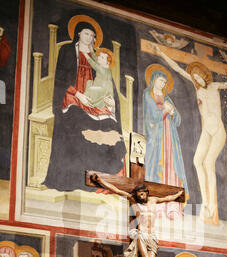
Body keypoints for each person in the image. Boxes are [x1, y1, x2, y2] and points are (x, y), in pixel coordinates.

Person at [149, 43, 227, 223]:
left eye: (199, 76)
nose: (197, 79)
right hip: (206, 131)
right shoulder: (197, 89)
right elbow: (178, 69)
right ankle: (205, 201)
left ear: (204, 76)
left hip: (217, 130)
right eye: (194, 77)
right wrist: (162, 53)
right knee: (196, 161)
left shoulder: (214, 86)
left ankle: (210, 205)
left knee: (208, 162)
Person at [43, 16, 126, 192]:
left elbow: (107, 81)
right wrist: (78, 95)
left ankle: (100, 179)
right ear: (78, 34)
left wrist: (111, 102)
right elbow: (61, 78)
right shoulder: (67, 50)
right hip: (73, 95)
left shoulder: (98, 56)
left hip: (94, 99)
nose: (89, 37)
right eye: (86, 33)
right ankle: (71, 179)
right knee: (75, 119)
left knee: (109, 123)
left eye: (92, 35)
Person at [90, 173, 184, 257]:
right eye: (138, 194)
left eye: (142, 193)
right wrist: (100, 180)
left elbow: (168, 197)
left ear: (146, 192)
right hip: (141, 234)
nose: (141, 196)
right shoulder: (133, 200)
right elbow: (116, 189)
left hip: (152, 235)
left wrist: (178, 194)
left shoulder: (153, 200)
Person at [143, 65, 189, 219]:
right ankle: (156, 206)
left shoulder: (167, 98)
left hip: (170, 138)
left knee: (172, 166)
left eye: (164, 82)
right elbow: (153, 117)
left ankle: (172, 207)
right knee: (156, 166)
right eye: (160, 80)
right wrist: (165, 110)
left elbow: (178, 120)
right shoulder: (147, 95)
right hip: (156, 137)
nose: (162, 84)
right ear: (154, 79)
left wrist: (173, 112)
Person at [82, 47, 115, 113]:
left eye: (102, 57)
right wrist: (91, 49)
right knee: (89, 82)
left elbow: (92, 62)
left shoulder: (101, 69)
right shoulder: (105, 67)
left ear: (108, 62)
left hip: (100, 92)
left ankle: (90, 101)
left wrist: (85, 53)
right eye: (100, 56)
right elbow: (95, 58)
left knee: (90, 88)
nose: (99, 57)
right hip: (103, 90)